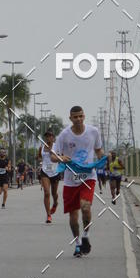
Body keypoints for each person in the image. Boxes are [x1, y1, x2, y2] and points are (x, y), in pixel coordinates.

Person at [51, 106, 104, 257]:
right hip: (70, 180)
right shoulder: (64, 135)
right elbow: (53, 156)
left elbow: (98, 150)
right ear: (70, 119)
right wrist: (61, 158)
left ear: (84, 116)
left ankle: (86, 235)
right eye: (75, 117)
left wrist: (103, 158)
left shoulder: (93, 131)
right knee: (73, 217)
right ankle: (78, 243)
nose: (79, 119)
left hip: (88, 176)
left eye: (81, 116)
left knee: (85, 207)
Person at [38, 129, 60, 224]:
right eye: (47, 136)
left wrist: (53, 153)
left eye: (50, 136)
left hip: (55, 172)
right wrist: (40, 161)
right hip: (45, 172)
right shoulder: (41, 147)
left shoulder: (57, 147)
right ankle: (48, 215)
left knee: (54, 193)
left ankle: (55, 203)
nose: (48, 137)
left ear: (53, 137)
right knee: (46, 193)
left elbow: (60, 157)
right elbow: (39, 156)